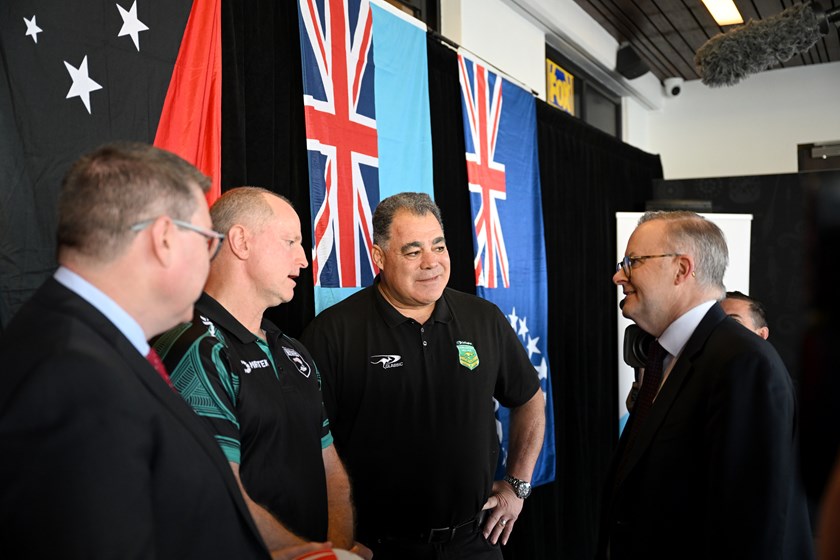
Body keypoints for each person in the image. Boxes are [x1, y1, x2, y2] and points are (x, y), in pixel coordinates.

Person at [0, 143, 277, 558]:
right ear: (164, 238)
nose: (211, 259)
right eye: (206, 241)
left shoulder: (83, 342)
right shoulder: (76, 376)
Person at [300, 192, 546, 560]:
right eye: (413, 251)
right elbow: (306, 447)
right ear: (379, 257)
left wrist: (517, 486)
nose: (431, 263)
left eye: (439, 246)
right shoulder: (333, 334)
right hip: (378, 547)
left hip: (475, 542)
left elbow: (530, 398)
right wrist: (339, 539)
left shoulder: (484, 319)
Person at [152, 187, 370, 559]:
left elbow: (330, 470)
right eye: (290, 242)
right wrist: (318, 556)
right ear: (241, 242)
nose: (303, 260)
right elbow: (217, 492)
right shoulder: (196, 347)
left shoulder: (293, 350)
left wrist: (335, 550)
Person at [598, 210, 813, 559]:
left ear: (682, 269)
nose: (618, 276)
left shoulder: (742, 362)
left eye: (632, 262)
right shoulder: (665, 357)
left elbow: (751, 525)